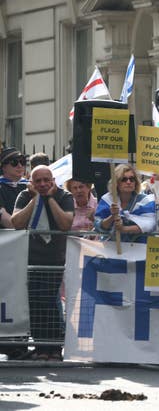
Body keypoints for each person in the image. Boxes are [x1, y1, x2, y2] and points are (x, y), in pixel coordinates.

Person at [11, 165, 74, 361]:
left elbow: (66, 223)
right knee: (34, 303)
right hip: (29, 259)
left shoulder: (64, 196)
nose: (43, 184)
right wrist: (36, 199)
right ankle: (40, 347)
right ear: (32, 181)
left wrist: (50, 199)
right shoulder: (24, 196)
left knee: (49, 301)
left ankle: (54, 347)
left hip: (54, 260)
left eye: (47, 180)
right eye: (38, 181)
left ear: (53, 180)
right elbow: (16, 222)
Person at [94, 164, 156, 242]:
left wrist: (123, 229)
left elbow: (150, 224)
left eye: (132, 179)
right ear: (116, 182)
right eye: (124, 179)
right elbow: (98, 226)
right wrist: (113, 216)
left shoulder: (146, 200)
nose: (128, 182)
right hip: (111, 249)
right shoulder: (107, 199)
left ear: (136, 182)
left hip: (138, 249)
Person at [0, 147, 28, 229]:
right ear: (4, 167)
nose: (20, 165)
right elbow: (4, 218)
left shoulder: (29, 185)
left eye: (22, 162)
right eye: (14, 162)